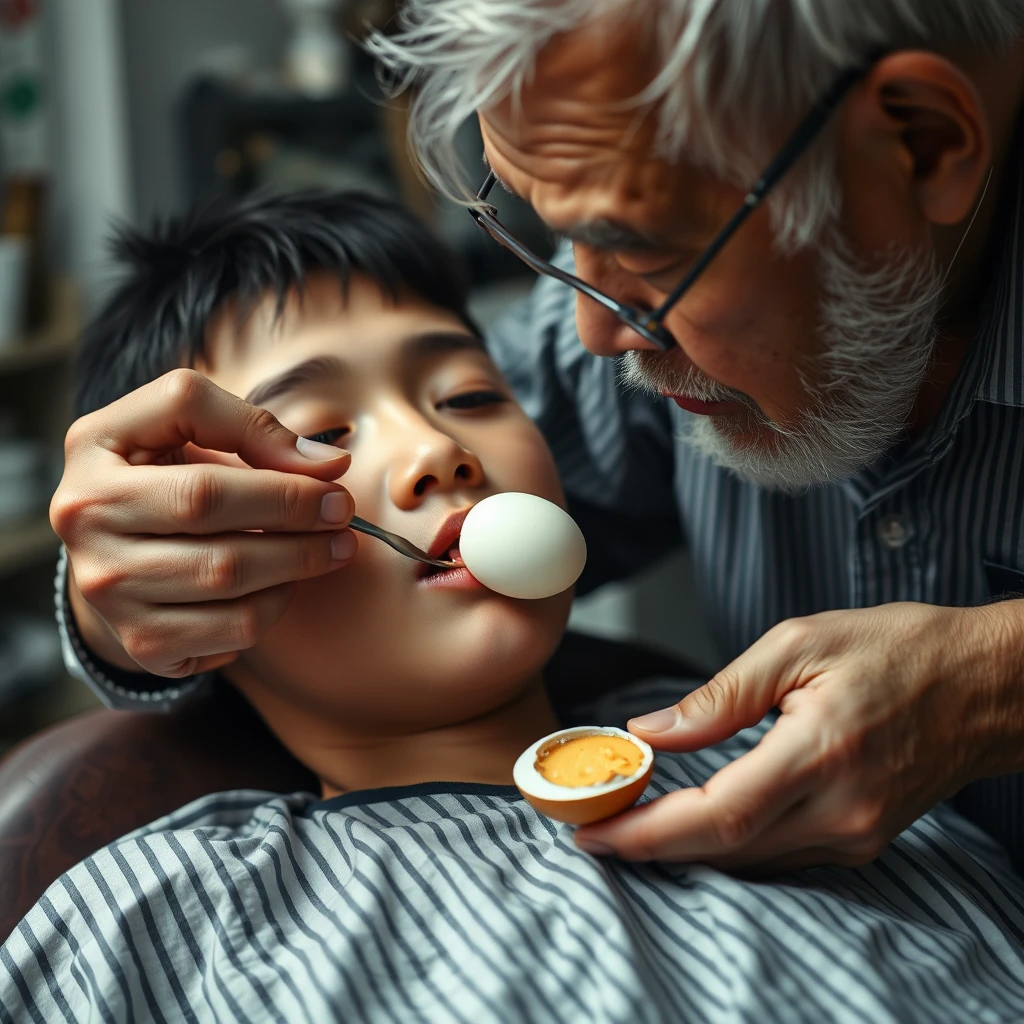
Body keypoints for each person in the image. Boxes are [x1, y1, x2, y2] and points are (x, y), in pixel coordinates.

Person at [4, 189, 1024, 1024]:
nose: (439, 449)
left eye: (471, 397)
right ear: (199, 546)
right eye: (316, 429)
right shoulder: (157, 919)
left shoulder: (849, 777)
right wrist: (114, 602)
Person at [359, 0, 1024, 872]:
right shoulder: (632, 279)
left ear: (921, 140)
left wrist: (1000, 678)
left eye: (643, 247)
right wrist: (157, 568)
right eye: (553, 226)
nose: (595, 332)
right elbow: (410, 504)